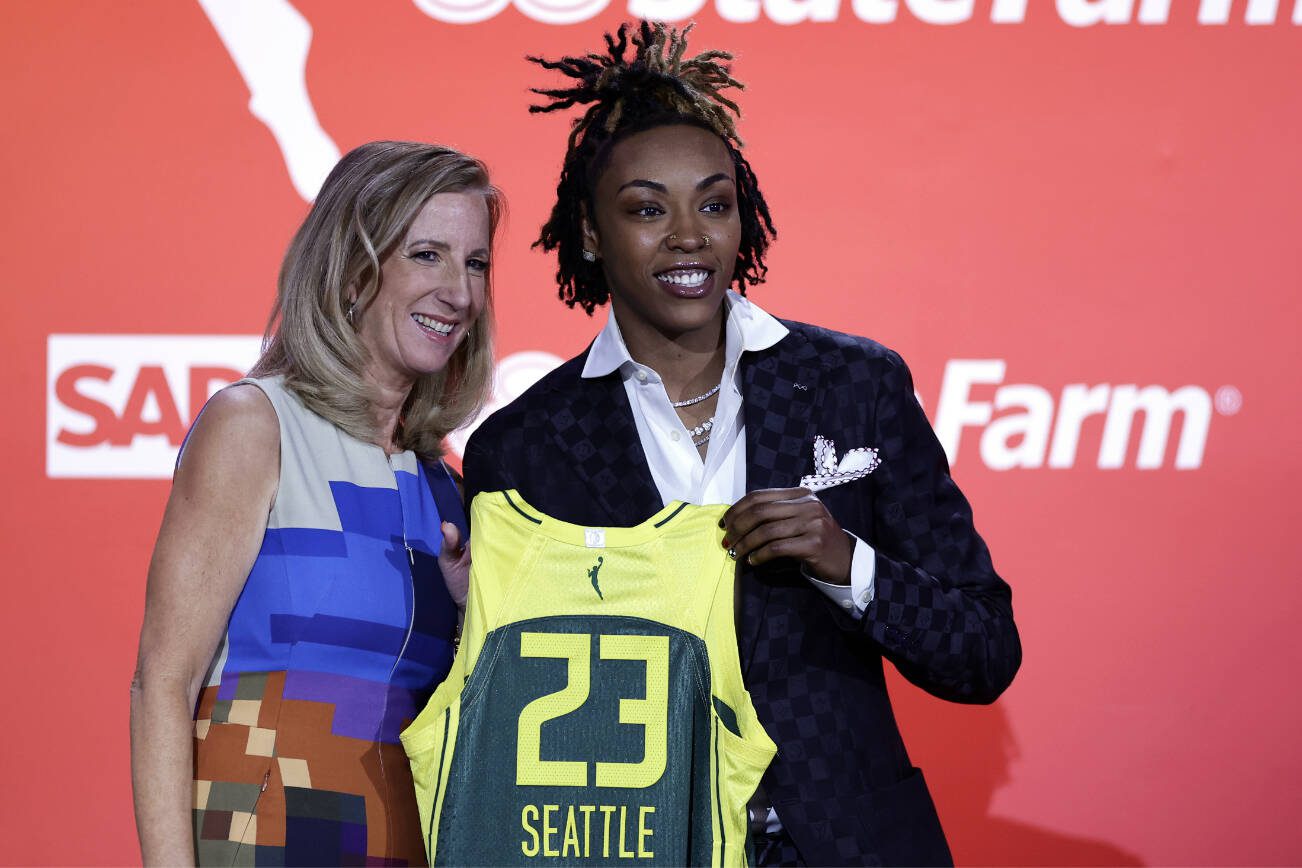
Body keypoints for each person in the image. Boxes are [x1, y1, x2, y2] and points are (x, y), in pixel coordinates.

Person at [461, 22, 1021, 867]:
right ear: (588, 231)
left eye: (714, 204)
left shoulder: (856, 385)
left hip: (850, 846)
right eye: (648, 208)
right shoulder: (523, 446)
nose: (690, 236)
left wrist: (846, 562)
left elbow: (983, 653)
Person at [129, 141, 501, 865]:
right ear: (354, 269)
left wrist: (467, 621)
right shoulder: (255, 426)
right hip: (261, 842)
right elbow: (162, 685)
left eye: (476, 262)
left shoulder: (442, 485)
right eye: (426, 255)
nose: (459, 291)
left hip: (404, 845)